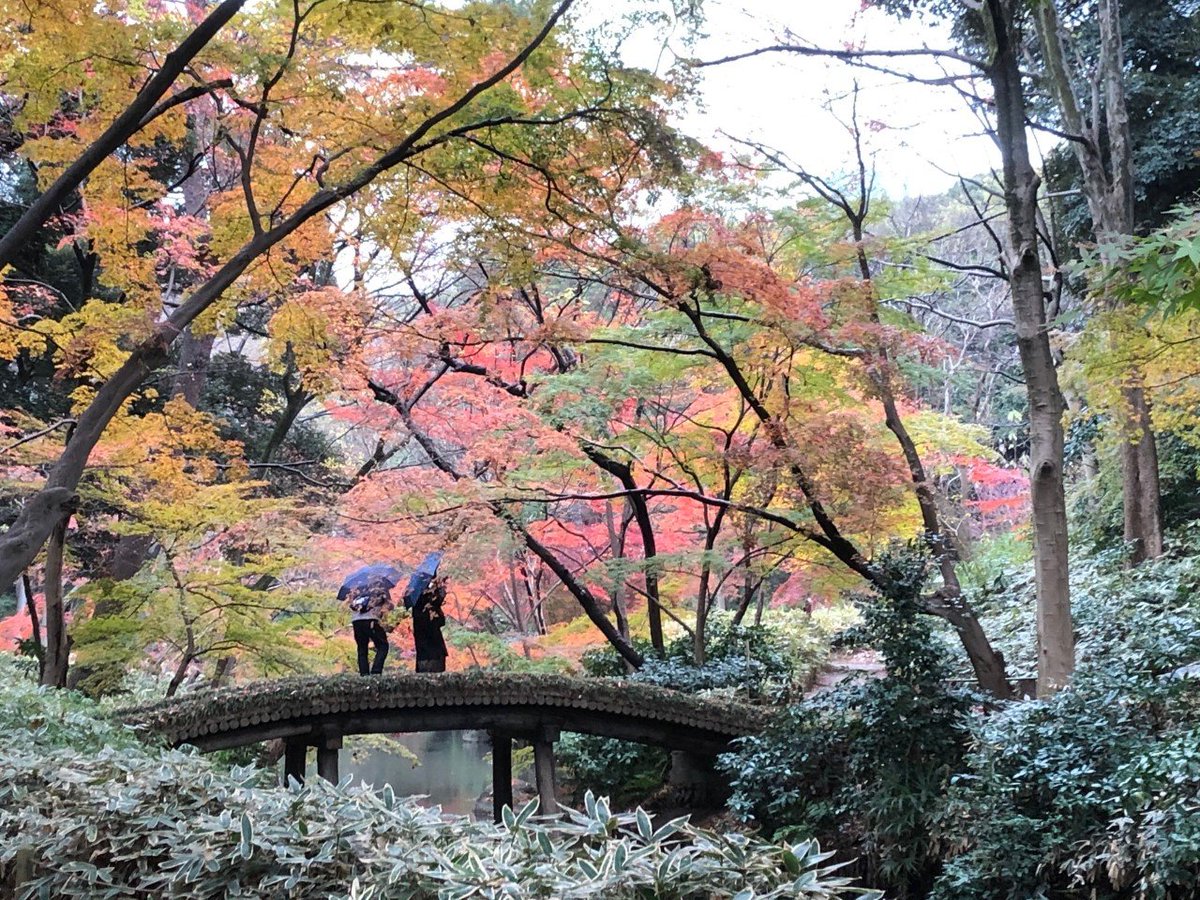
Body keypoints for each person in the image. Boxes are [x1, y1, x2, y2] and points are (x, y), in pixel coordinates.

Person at [343, 580, 394, 676]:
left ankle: (364, 674)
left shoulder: (356, 589)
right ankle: (376, 671)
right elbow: (389, 606)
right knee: (383, 645)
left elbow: (350, 605)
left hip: (356, 621)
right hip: (371, 620)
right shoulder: (379, 588)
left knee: (362, 648)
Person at [411, 575, 448, 673]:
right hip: (433, 647)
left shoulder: (415, 601)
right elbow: (439, 620)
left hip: (422, 650)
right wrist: (441, 588)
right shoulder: (429, 600)